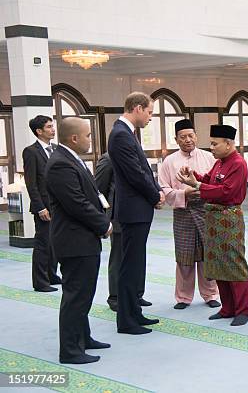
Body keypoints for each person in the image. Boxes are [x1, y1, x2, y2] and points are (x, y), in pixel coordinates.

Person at [45, 117, 112, 364]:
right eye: (87, 136)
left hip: (83, 239)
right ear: (74, 138)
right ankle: (71, 351)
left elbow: (89, 195)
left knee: (84, 293)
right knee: (76, 296)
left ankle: (84, 337)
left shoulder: (71, 159)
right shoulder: (60, 164)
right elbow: (77, 204)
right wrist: (104, 224)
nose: (90, 140)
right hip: (74, 241)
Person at [176, 125, 248, 326]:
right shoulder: (220, 163)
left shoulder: (238, 164)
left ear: (228, 144)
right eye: (211, 143)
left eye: (215, 144)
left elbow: (226, 192)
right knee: (217, 263)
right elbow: (208, 180)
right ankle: (227, 308)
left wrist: (198, 185)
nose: (212, 148)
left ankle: (242, 310)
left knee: (234, 264)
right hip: (214, 221)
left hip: (229, 219)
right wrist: (193, 177)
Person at [108, 92, 164, 335]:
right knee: (129, 265)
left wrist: (157, 191)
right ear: (138, 108)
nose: (150, 117)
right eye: (150, 112)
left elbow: (142, 170)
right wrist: (155, 196)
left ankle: (134, 313)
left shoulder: (126, 133)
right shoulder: (121, 134)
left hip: (137, 208)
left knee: (135, 263)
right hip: (133, 210)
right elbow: (135, 174)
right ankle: (126, 320)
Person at [157, 119, 220, 310]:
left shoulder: (209, 157)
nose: (187, 140)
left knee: (207, 253)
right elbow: (163, 187)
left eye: (190, 135)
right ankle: (183, 297)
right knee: (184, 256)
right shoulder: (169, 161)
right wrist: (183, 193)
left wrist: (204, 191)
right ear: (176, 140)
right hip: (182, 211)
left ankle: (210, 294)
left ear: (196, 136)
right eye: (183, 137)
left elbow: (216, 183)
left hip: (206, 210)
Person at [95, 153, 150, 312]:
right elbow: (99, 189)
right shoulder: (108, 159)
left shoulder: (137, 155)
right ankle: (115, 297)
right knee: (119, 258)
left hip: (139, 214)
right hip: (119, 217)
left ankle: (136, 294)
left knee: (138, 256)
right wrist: (103, 218)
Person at [22, 115, 61, 292]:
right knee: (43, 244)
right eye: (49, 127)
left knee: (54, 243)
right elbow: (31, 183)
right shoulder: (31, 151)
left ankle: (51, 275)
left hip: (57, 205)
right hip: (43, 207)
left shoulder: (55, 149)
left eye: (53, 126)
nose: (53, 129)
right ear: (39, 131)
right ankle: (40, 282)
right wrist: (40, 207)